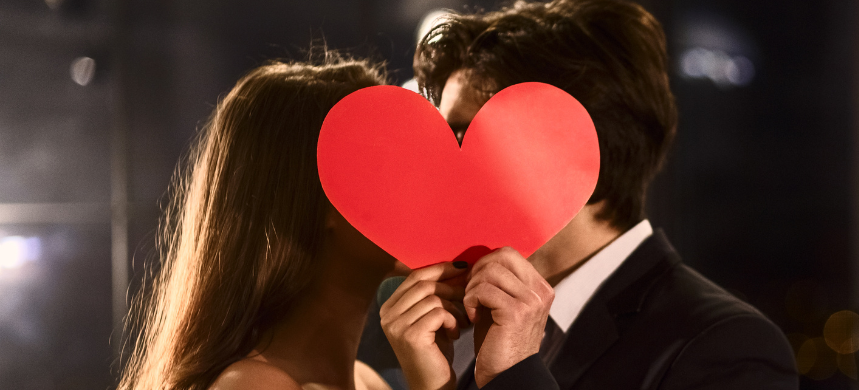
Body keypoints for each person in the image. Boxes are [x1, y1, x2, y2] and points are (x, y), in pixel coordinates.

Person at [381, 0, 799, 389]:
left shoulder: (727, 348)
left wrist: (514, 378)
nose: (443, 167)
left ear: (578, 159)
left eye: (467, 137)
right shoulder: (465, 333)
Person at [119, 57, 409, 390]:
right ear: (324, 197)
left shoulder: (369, 382)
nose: (417, 187)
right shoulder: (253, 386)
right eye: (387, 165)